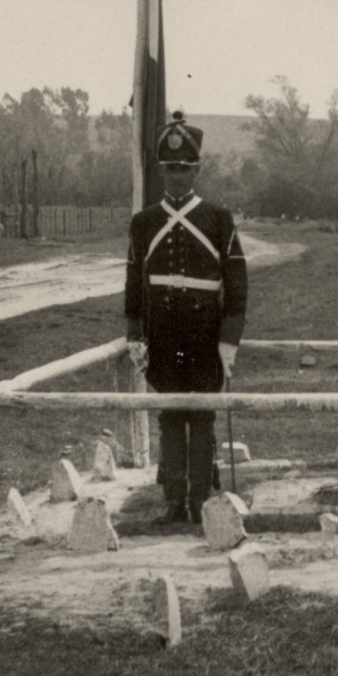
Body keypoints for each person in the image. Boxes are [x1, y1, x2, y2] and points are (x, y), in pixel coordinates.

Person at [124, 111, 248, 523]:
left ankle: (201, 500)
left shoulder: (218, 219)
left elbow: (237, 285)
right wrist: (134, 335)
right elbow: (133, 284)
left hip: (203, 335)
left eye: (184, 168)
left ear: (197, 170)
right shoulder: (144, 223)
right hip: (163, 335)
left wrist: (228, 341)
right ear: (161, 170)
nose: (176, 176)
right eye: (170, 168)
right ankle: (174, 501)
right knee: (171, 415)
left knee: (202, 415)